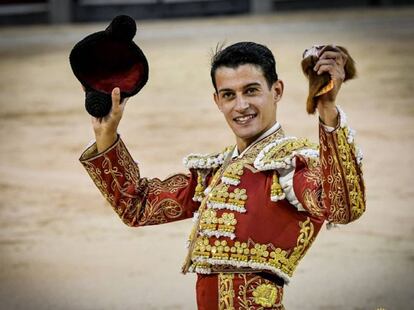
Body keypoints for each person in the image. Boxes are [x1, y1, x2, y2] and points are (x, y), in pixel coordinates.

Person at [79, 42, 365, 309]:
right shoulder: (216, 171)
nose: (240, 106)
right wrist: (107, 135)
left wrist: (327, 110)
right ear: (217, 101)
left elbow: (342, 209)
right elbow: (138, 207)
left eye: (251, 90)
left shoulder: (292, 163)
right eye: (229, 95)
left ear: (276, 91)